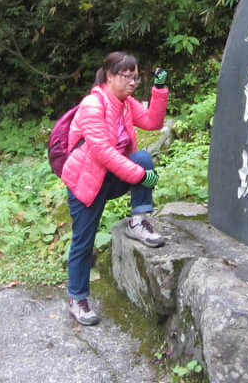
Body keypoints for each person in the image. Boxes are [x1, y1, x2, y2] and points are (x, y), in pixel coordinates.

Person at [61, 51, 169, 326]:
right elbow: (102, 151)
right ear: (109, 76)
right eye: (127, 76)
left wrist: (158, 90)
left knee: (143, 158)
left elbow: (152, 123)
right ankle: (77, 297)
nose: (133, 82)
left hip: (111, 178)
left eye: (136, 77)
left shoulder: (125, 103)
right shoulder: (93, 104)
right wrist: (139, 177)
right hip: (86, 184)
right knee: (83, 242)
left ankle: (138, 221)